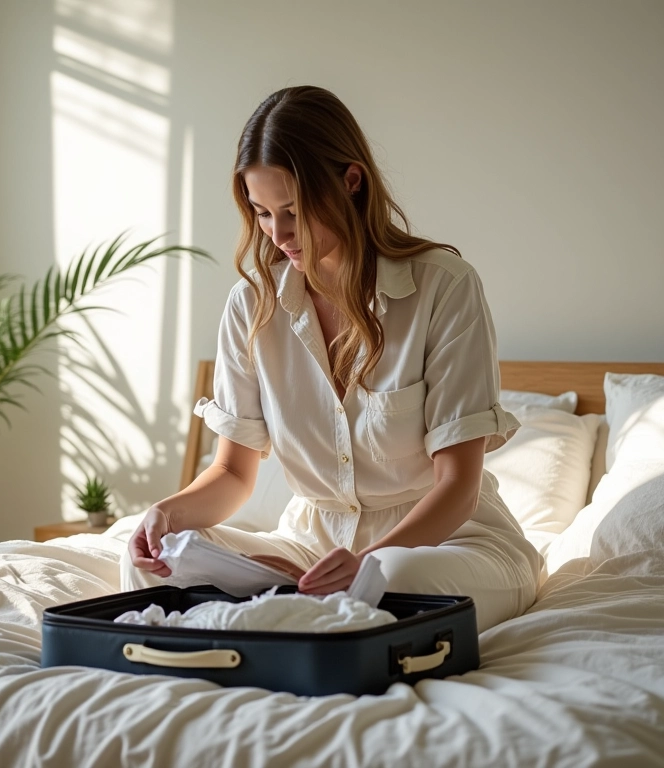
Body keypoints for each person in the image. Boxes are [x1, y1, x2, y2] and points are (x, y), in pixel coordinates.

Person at [121, 85, 542, 632]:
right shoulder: (253, 305)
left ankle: (287, 614)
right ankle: (302, 612)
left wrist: (366, 564)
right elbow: (231, 472)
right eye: (263, 213)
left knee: (392, 578)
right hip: (311, 551)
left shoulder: (444, 287)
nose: (278, 234)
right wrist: (167, 514)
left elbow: (457, 486)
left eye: (293, 211)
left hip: (448, 545)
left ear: (350, 180)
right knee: (148, 561)